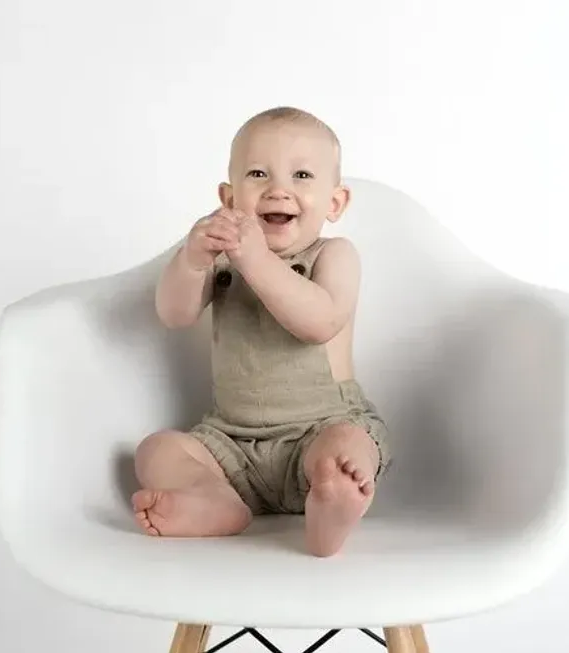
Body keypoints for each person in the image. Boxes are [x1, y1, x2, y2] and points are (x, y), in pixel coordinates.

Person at [131, 107, 391, 557]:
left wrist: (255, 259)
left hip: (319, 428)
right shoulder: (223, 258)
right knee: (155, 451)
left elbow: (319, 322)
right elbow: (175, 314)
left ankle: (331, 502)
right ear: (229, 198)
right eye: (258, 173)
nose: (278, 189)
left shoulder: (334, 256)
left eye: (302, 175)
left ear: (335, 203)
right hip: (231, 442)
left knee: (349, 448)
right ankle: (216, 502)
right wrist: (192, 261)